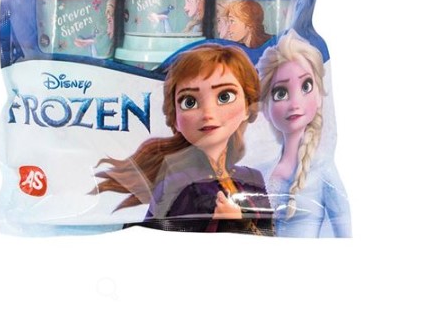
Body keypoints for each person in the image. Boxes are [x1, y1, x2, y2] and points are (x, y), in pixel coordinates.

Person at [94, 43, 274, 234]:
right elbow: (160, 240)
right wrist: (231, 224)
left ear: (247, 107)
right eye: (190, 102)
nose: (208, 113)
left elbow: (269, 236)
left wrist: (240, 223)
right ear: (176, 119)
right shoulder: (180, 183)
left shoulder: (252, 179)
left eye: (224, 96)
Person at [257, 30, 351, 237]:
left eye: (306, 86)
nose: (295, 103)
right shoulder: (261, 171)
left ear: (319, 96)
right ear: (266, 107)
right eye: (280, 93)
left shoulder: (322, 169)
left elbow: (344, 234)